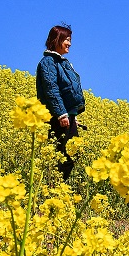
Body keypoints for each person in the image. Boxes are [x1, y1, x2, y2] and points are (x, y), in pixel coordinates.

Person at [36, 24, 85, 181]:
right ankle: (53, 187)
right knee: (61, 155)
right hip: (56, 117)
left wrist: (72, 114)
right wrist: (61, 114)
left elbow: (67, 91)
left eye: (70, 40)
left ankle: (58, 187)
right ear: (56, 40)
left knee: (73, 152)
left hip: (66, 115)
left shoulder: (62, 62)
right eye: (67, 40)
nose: (69, 44)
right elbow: (51, 89)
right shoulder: (48, 62)